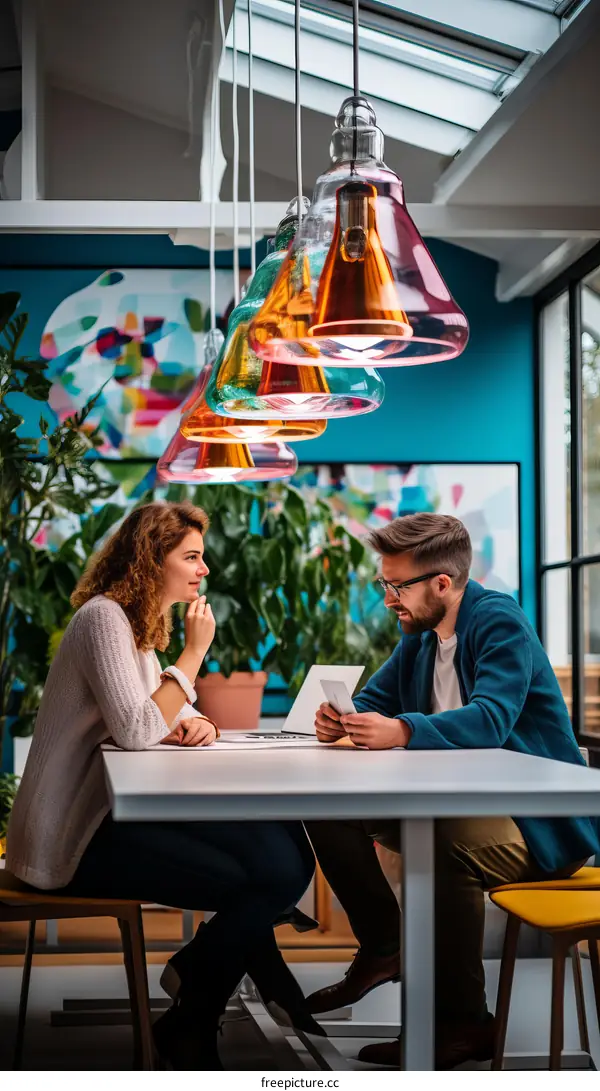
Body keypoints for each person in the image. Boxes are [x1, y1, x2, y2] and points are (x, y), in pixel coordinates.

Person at [6, 501, 319, 1069]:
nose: (204, 569)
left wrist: (195, 723)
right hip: (70, 839)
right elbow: (135, 729)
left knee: (284, 850)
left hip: (109, 816)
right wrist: (194, 654)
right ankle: (202, 999)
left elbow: (156, 712)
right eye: (192, 557)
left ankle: (199, 990)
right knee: (269, 876)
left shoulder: (137, 625)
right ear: (152, 560)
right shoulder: (104, 618)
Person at [305, 512, 600, 1070]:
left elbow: (491, 718)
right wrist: (341, 719)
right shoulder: (421, 636)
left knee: (445, 844)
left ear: (442, 583)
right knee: (328, 810)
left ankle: (465, 1026)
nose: (388, 598)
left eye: (397, 586)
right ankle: (385, 948)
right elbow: (375, 700)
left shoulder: (498, 622)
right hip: (468, 811)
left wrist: (403, 731)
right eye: (384, 583)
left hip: (542, 822)